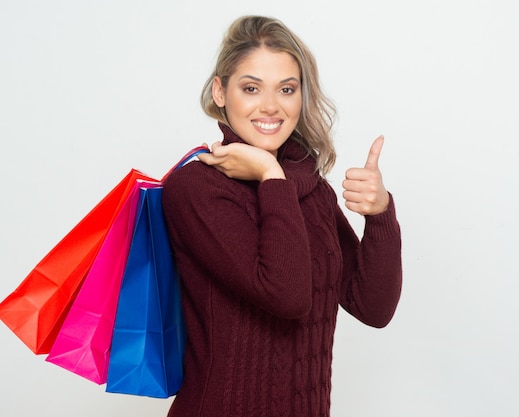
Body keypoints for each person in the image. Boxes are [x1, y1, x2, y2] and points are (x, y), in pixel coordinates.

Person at [162, 15, 402, 417]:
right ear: (220, 92)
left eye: (286, 89)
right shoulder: (197, 189)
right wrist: (271, 175)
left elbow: (372, 308)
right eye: (251, 88)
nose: (270, 106)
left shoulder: (310, 189)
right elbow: (286, 295)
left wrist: (380, 215)